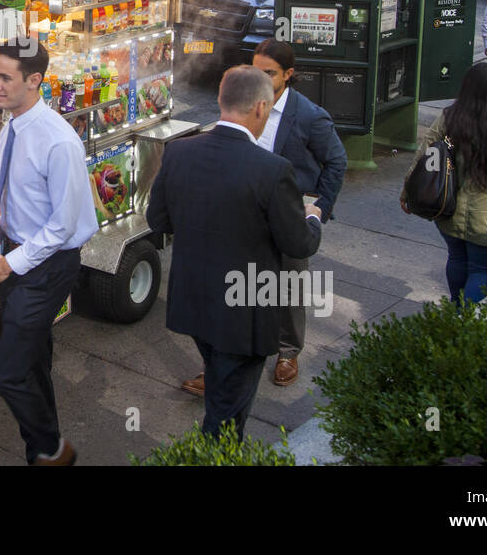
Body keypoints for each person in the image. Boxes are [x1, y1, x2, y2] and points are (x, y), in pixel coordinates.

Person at [148, 66, 322, 440]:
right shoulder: (273, 170)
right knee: (226, 420)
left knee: (222, 392)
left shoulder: (178, 152)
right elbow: (299, 244)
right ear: (261, 107)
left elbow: (157, 219)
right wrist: (313, 218)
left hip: (193, 301)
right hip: (244, 313)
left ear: (221, 100)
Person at [179, 40, 345, 397]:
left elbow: (336, 161)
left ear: (288, 74)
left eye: (270, 73)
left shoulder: (309, 116)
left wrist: (318, 209)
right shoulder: (243, 102)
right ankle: (218, 368)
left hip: (288, 207)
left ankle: (287, 353)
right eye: (257, 71)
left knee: (289, 282)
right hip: (243, 205)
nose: (263, 78)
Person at [0, 37, 97, 465]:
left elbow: (61, 225)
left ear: (35, 80)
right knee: (33, 359)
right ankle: (41, 451)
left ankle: (52, 450)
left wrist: (10, 263)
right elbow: (24, 199)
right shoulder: (12, 124)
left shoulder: (58, 141)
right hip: (16, 253)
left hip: (47, 266)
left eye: (5, 78)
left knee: (8, 374)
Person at [409, 62, 487, 305]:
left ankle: (458, 307)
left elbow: (423, 157)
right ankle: (464, 319)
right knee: (483, 269)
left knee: (457, 258)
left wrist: (407, 192)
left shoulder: (450, 118)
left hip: (450, 209)